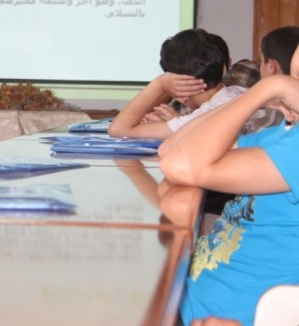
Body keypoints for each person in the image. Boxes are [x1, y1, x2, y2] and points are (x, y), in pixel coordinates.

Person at [157, 43, 299, 325]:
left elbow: (181, 164)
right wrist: (259, 93)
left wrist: (265, 89)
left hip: (214, 315)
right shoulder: (283, 134)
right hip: (186, 295)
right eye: (292, 78)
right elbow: (171, 149)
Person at [108, 29, 244, 139]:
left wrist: (160, 84)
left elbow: (118, 129)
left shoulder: (203, 118)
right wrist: (170, 125)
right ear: (224, 69)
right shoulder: (239, 92)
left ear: (178, 91)